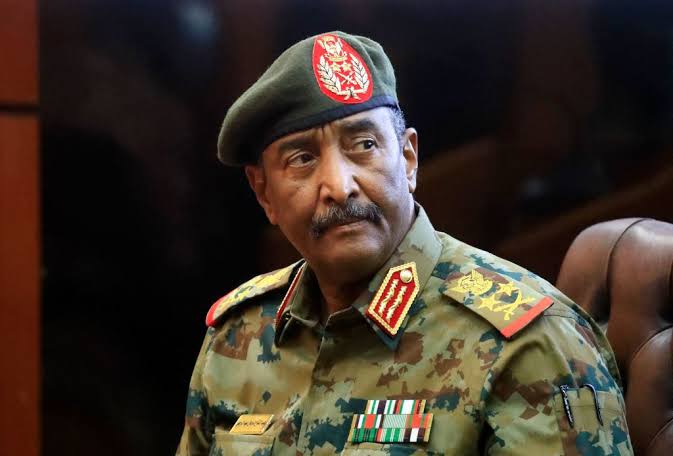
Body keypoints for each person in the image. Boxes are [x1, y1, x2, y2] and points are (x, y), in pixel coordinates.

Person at [176, 31, 633, 455]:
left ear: (409, 159)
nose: (340, 186)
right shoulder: (237, 337)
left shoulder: (527, 342)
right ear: (264, 194)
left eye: (364, 145)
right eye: (302, 159)